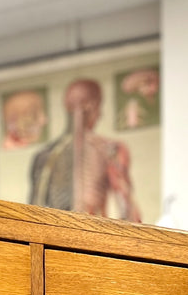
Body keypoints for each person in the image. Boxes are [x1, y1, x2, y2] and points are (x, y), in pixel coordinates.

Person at [29, 79, 140, 220]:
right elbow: (128, 209)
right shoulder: (111, 150)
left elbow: (32, 214)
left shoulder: (44, 156)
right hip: (91, 236)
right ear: (91, 106)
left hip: (58, 236)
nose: (100, 114)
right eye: (99, 106)